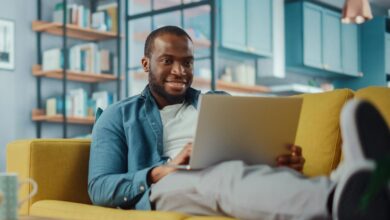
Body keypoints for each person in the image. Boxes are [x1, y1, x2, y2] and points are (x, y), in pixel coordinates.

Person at [88, 26, 389, 220]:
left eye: (188, 62)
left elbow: (245, 157)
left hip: (234, 172)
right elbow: (99, 187)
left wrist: (277, 160)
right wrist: (158, 171)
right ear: (146, 64)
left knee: (235, 173)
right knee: (221, 177)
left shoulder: (219, 102)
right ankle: (341, 200)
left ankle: (359, 185)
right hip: (167, 185)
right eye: (167, 60)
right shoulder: (118, 115)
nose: (180, 70)